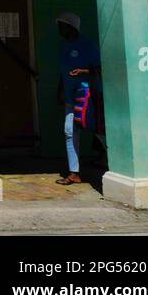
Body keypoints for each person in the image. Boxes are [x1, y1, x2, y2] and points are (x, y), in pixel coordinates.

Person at [55, 12, 101, 186]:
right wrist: (60, 90)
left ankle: (113, 160)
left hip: (86, 96)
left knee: (95, 128)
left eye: (62, 26)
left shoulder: (88, 45)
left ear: (71, 27)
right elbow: (62, 72)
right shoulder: (63, 46)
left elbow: (100, 68)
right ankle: (74, 172)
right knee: (69, 131)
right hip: (70, 97)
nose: (60, 30)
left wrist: (83, 72)